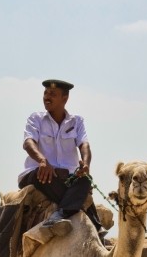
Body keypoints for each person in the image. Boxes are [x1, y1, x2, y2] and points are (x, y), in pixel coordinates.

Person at [18, 79, 102, 237]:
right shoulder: (35, 118)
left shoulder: (77, 121)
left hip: (66, 178)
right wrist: (42, 161)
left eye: (52, 94)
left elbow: (84, 145)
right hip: (38, 174)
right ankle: (91, 217)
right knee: (45, 176)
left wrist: (86, 164)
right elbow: (28, 142)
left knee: (85, 180)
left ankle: (59, 215)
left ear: (65, 98)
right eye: (45, 93)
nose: (46, 97)